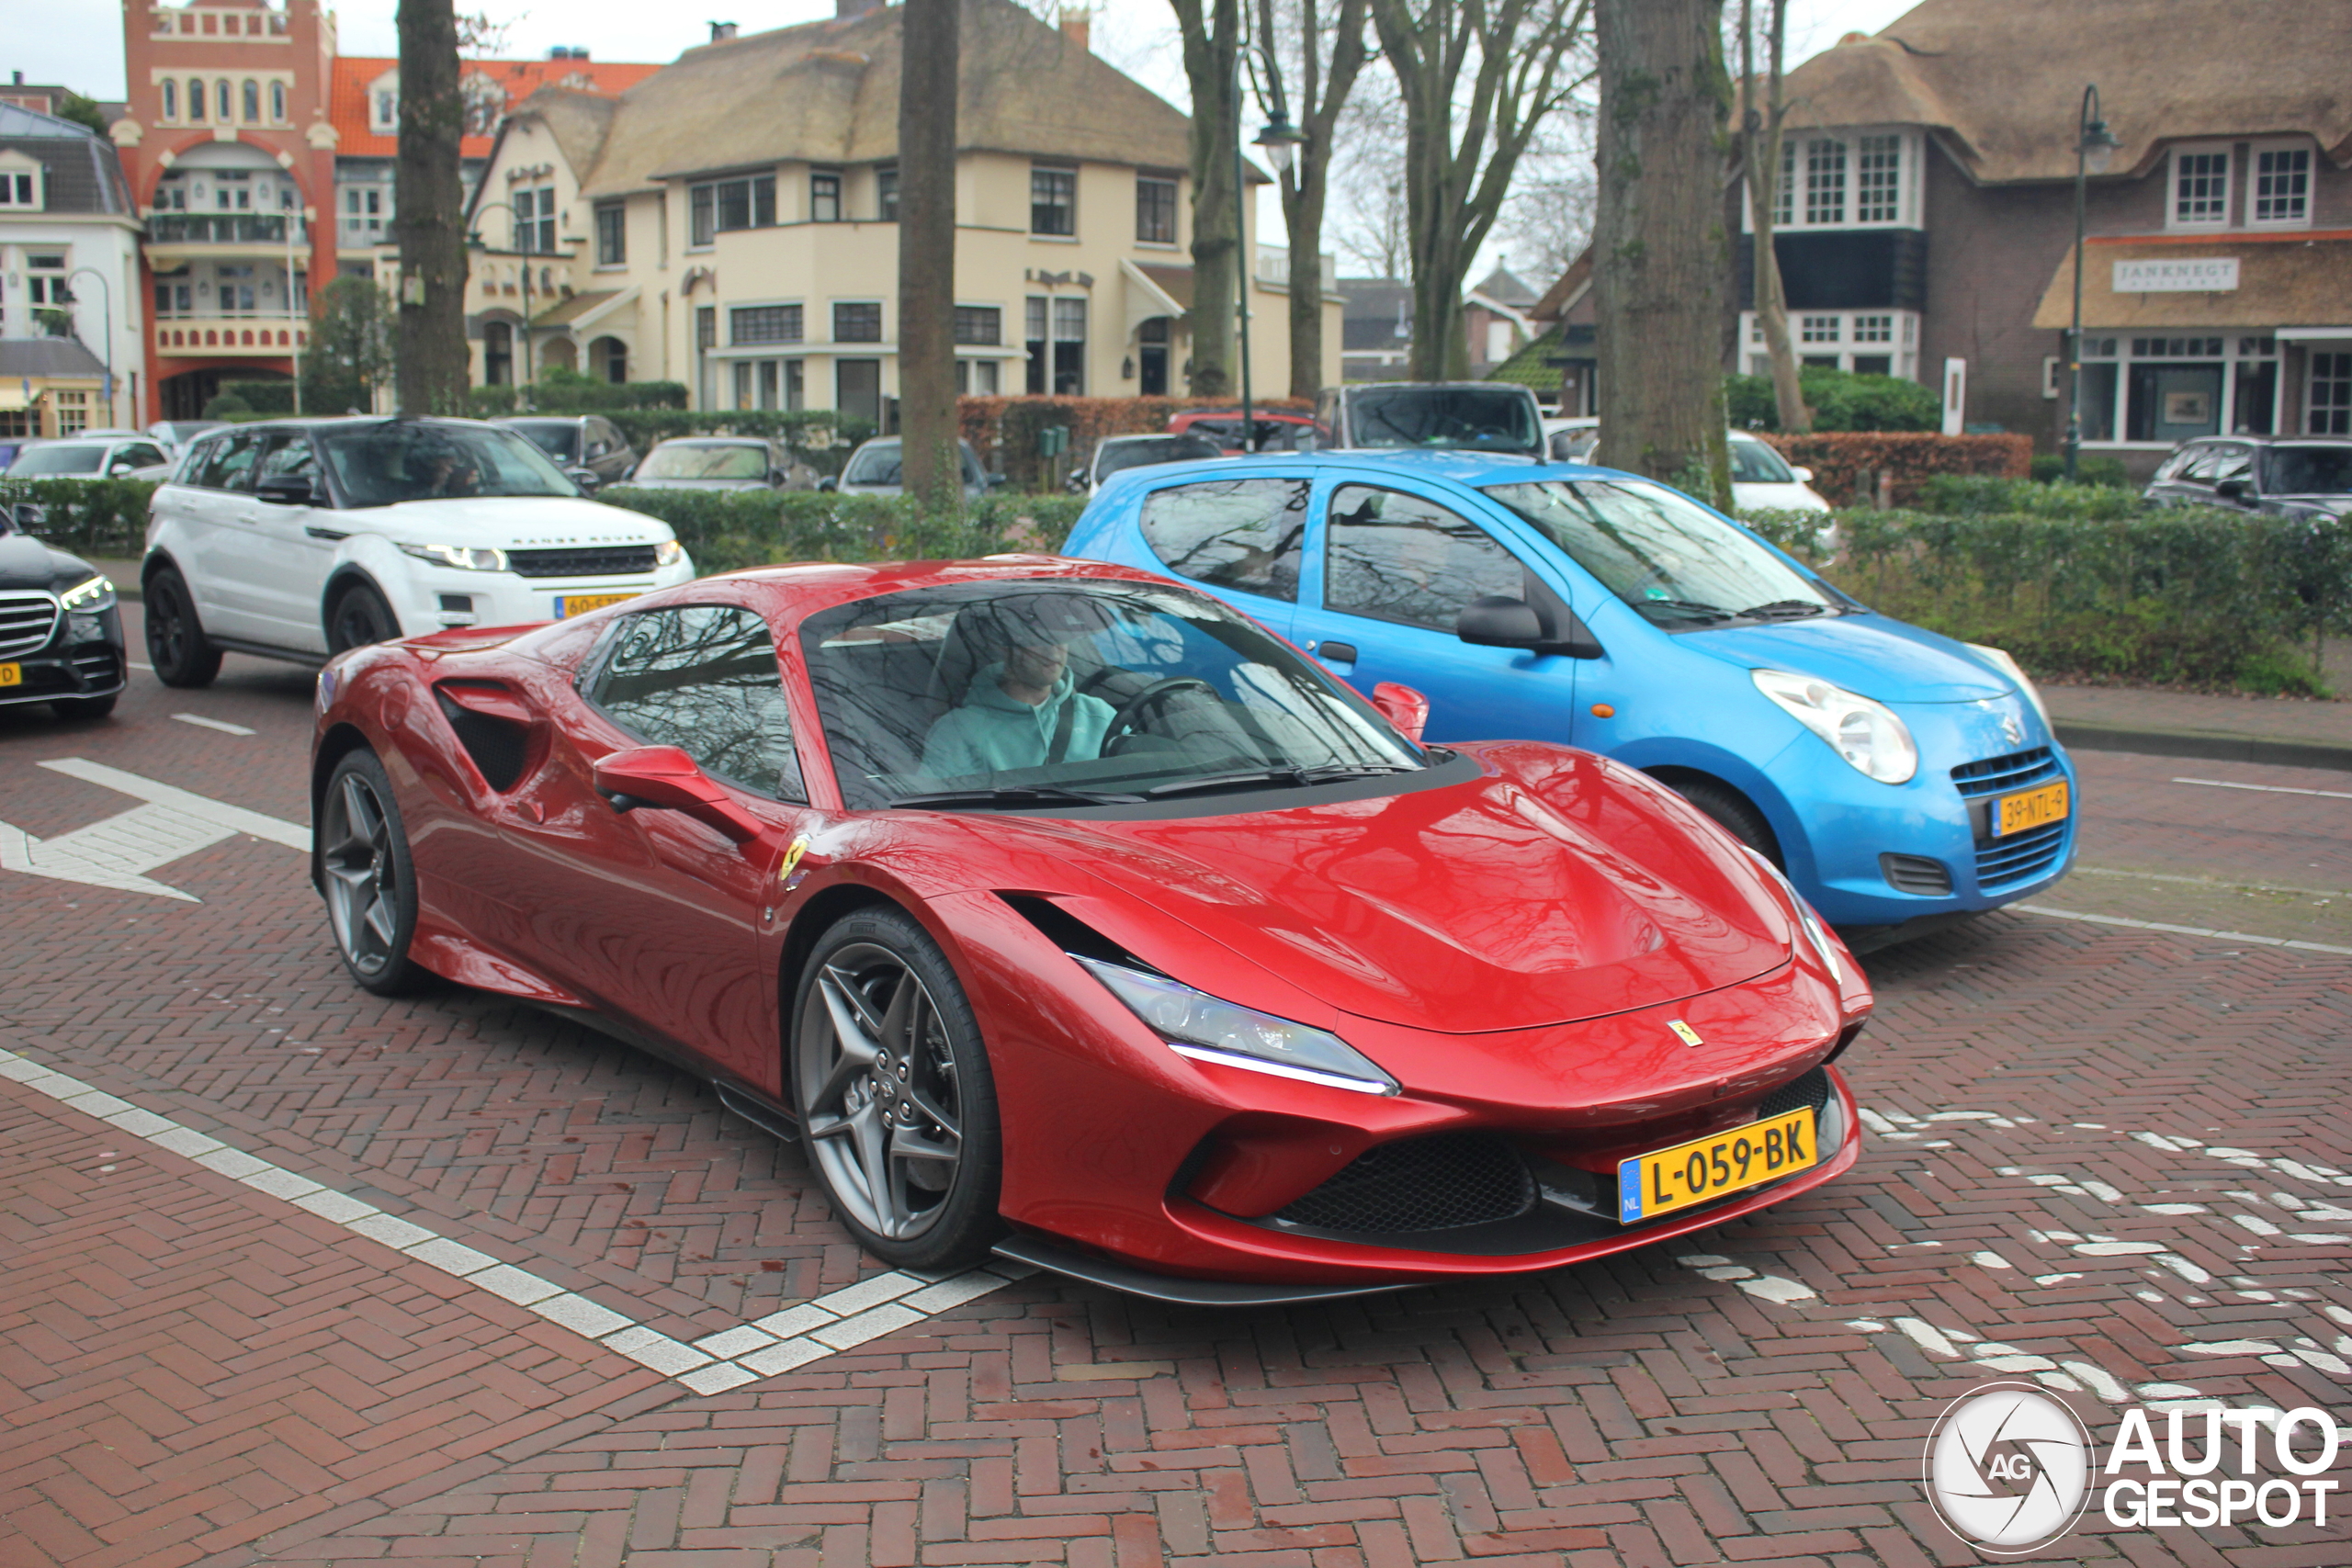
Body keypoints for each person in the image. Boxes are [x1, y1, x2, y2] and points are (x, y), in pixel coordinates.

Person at [921, 604, 1117, 779]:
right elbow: (939, 812)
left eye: (1060, 638)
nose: (1054, 650)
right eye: (1039, 639)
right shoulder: (958, 730)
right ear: (1006, 648)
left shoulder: (1098, 714)